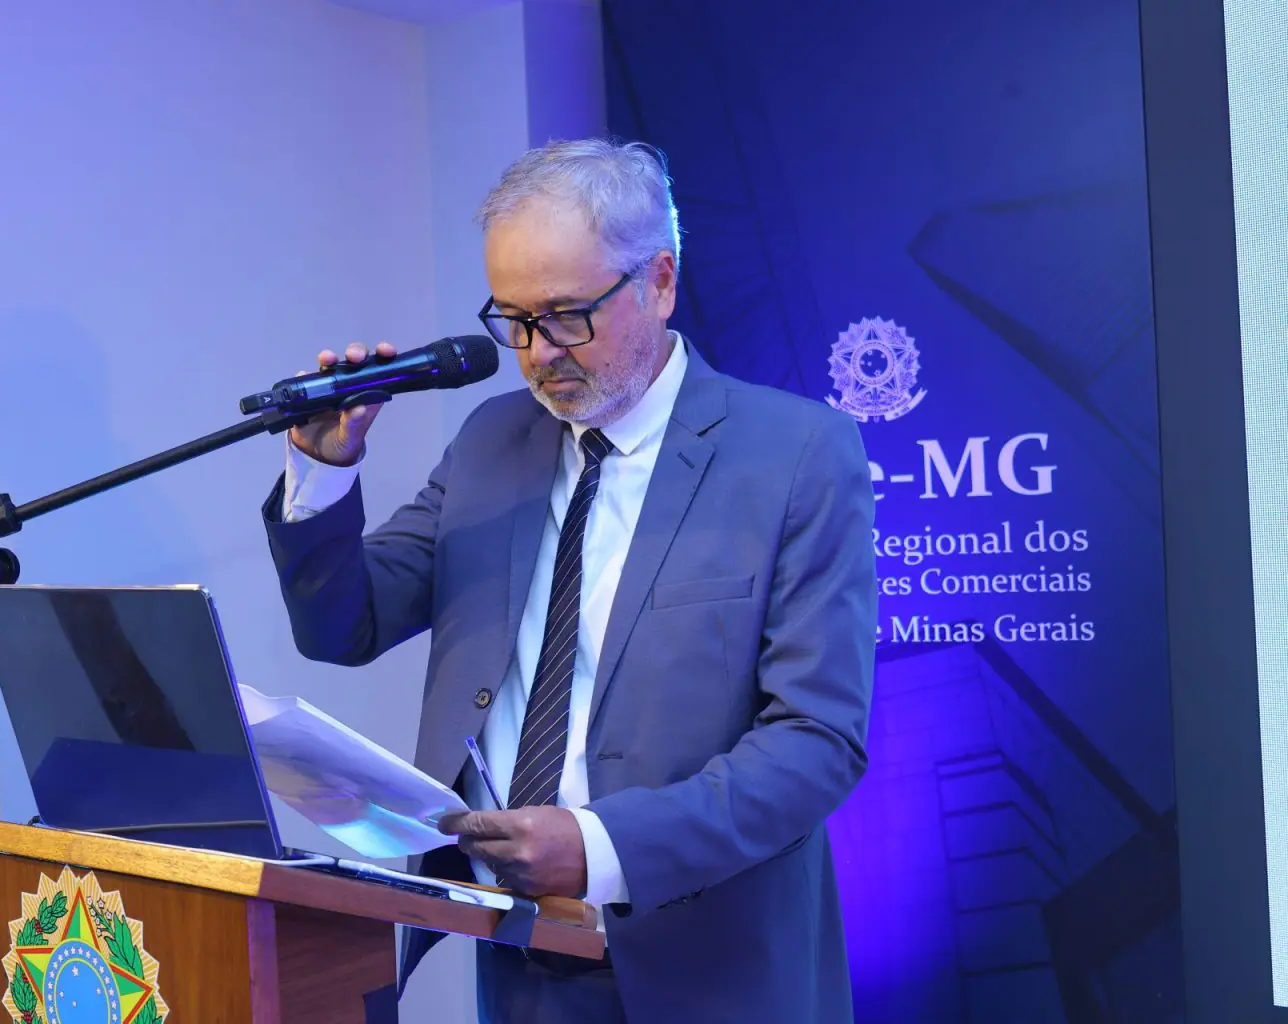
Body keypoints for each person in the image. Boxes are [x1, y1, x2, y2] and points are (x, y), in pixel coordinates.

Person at [261, 138, 876, 1024]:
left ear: (659, 282)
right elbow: (343, 626)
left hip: (715, 966)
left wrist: (599, 846)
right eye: (511, 319)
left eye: (564, 315)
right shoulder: (492, 440)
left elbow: (817, 741)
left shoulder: (795, 453)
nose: (536, 353)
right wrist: (323, 470)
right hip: (519, 953)